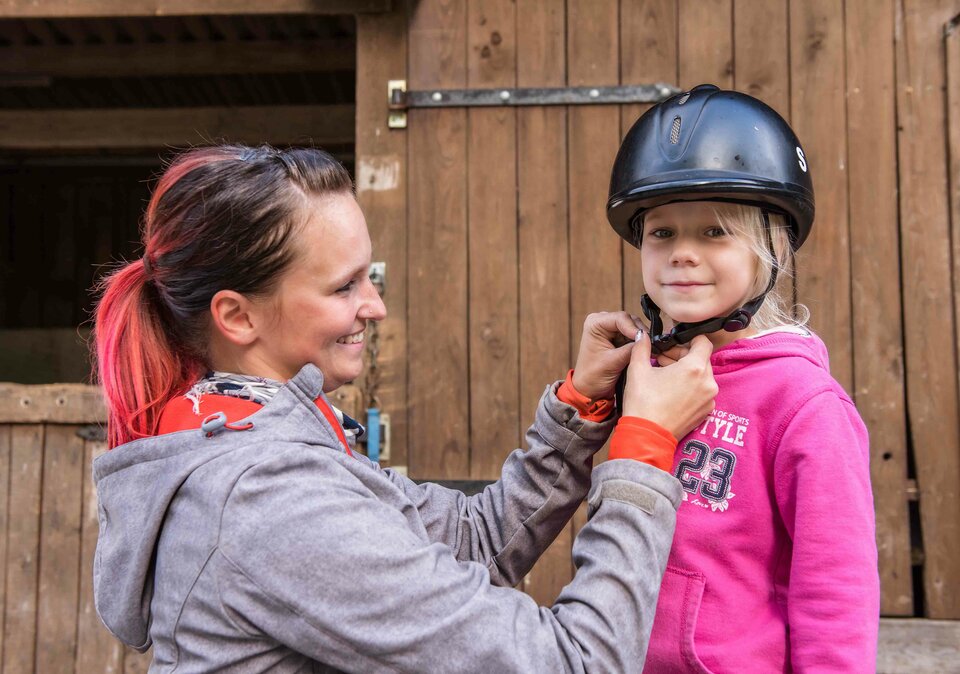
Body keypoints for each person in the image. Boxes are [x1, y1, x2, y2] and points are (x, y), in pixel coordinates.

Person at [91, 143, 718, 672]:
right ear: (236, 315)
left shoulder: (271, 438)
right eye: (344, 286)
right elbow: (579, 661)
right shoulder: (266, 499)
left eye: (369, 277)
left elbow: (474, 542)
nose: (375, 305)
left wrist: (578, 408)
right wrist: (643, 449)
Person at [606, 84, 880, 672]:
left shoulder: (804, 404)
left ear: (769, 248)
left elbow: (837, 592)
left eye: (713, 231)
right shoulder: (645, 373)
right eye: (662, 232)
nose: (682, 252)